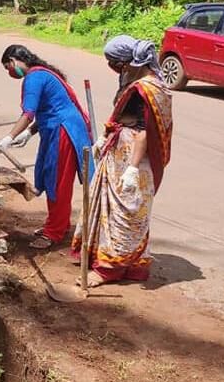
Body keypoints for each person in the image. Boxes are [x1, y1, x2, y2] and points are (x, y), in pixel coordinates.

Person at [71, 35, 173, 287]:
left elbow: (144, 132)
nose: (114, 68)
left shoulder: (148, 90)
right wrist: (104, 137)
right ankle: (116, 260)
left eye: (115, 63)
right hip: (118, 152)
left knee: (125, 213)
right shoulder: (135, 80)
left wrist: (132, 169)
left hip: (133, 159)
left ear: (128, 62)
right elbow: (120, 118)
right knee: (110, 208)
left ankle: (109, 268)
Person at [0, 45, 93, 249]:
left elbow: (28, 113)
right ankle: (57, 224)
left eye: (8, 67)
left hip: (63, 132)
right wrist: (29, 133)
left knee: (57, 182)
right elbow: (47, 109)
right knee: (51, 176)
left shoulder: (34, 78)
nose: (9, 72)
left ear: (14, 60)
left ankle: (54, 232)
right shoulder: (42, 74)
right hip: (57, 129)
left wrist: (9, 137)